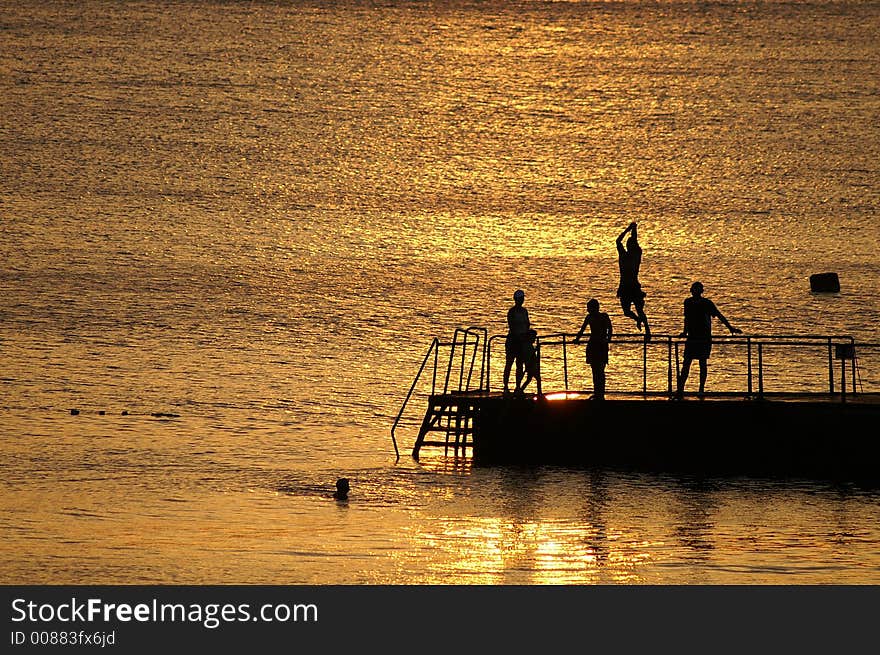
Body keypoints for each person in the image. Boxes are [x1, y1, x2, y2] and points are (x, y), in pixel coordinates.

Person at [676, 281, 742, 398]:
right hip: (692, 337)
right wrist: (684, 332)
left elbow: (719, 315)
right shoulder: (688, 302)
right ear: (691, 291)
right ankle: (680, 389)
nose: (696, 292)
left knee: (702, 363)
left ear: (701, 291)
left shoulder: (707, 303)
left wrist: (730, 328)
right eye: (695, 289)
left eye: (698, 289)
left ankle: (701, 389)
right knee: (686, 364)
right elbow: (687, 318)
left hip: (704, 337)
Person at [616, 222, 650, 340]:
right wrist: (632, 229)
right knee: (628, 311)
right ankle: (639, 320)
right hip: (627, 287)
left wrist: (629, 230)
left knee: (638, 310)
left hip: (630, 287)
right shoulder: (633, 255)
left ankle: (647, 330)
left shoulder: (629, 255)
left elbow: (619, 241)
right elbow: (620, 242)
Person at [573, 298, 613, 400]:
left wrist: (607, 339)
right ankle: (598, 393)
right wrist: (577, 339)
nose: (588, 310)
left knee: (600, 370)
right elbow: (582, 329)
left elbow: (610, 328)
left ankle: (600, 393)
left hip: (600, 345)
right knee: (596, 370)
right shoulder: (590, 317)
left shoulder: (603, 316)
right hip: (594, 345)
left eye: (589, 308)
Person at [503, 289, 531, 395]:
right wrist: (518, 336)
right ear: (516, 299)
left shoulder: (524, 311)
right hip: (512, 341)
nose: (521, 300)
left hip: (522, 342)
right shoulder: (512, 311)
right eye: (520, 298)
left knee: (520, 365)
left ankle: (518, 387)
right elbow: (511, 326)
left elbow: (527, 324)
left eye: (522, 298)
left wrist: (526, 335)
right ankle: (505, 387)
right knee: (509, 363)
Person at [517, 329, 542, 395]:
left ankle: (521, 389)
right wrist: (536, 349)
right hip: (531, 364)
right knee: (538, 378)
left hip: (531, 364)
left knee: (529, 379)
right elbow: (529, 355)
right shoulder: (527, 346)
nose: (534, 339)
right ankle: (539, 392)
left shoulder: (528, 345)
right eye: (533, 337)